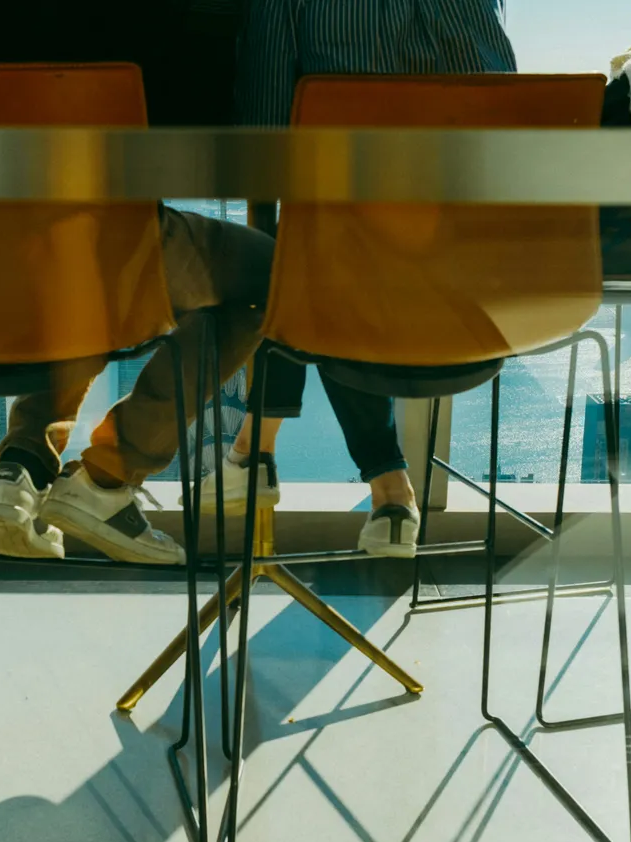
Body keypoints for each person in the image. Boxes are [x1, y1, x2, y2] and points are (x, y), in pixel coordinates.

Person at [0, 1, 275, 565]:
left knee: (87, 254)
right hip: (89, 238)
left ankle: (21, 468)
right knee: (269, 279)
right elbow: (199, 129)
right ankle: (107, 480)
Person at [199, 0, 518, 558]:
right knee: (333, 254)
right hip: (480, 299)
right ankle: (381, 493)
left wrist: (272, 250)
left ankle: (259, 451)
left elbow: (266, 140)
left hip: (349, 285)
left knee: (306, 258)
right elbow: (506, 118)